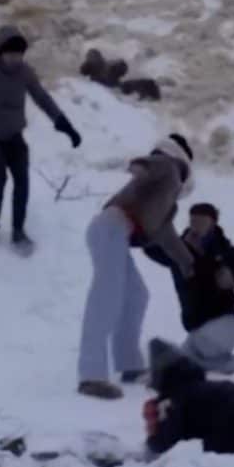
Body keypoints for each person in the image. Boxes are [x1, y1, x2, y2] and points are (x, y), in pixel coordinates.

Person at [77, 134, 195, 400]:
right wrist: (141, 167)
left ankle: (129, 364)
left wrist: (187, 262)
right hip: (112, 226)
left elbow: (166, 235)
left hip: (114, 231)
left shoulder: (164, 199)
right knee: (106, 297)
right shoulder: (170, 165)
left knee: (137, 295)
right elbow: (149, 164)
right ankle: (91, 375)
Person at [0, 25, 82, 252]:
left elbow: (43, 98)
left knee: (22, 181)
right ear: (0, 52)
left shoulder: (25, 72)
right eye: (10, 54)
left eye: (19, 54)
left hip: (14, 136)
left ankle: (18, 233)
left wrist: (64, 125)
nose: (15, 59)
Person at [143, 202, 234, 374]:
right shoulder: (179, 250)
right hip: (196, 327)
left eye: (201, 221)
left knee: (198, 368)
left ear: (213, 222)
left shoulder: (225, 251)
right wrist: (147, 227)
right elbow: (153, 249)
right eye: (193, 220)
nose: (196, 225)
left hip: (222, 326)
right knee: (184, 365)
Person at [140, 338, 234, 458]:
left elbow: (166, 441)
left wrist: (153, 438)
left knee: (198, 457)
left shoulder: (174, 398)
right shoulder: (196, 388)